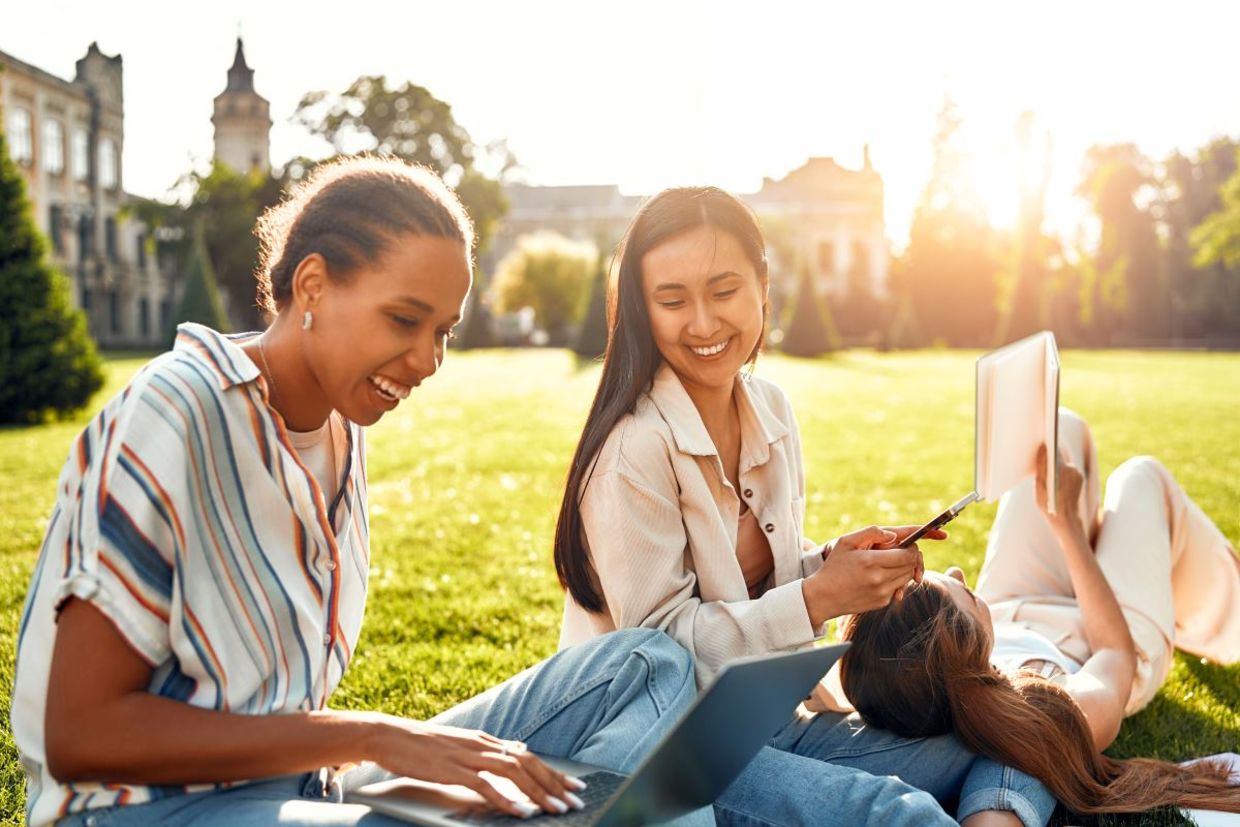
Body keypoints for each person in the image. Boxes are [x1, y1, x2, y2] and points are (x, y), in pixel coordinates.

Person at [12, 156, 952, 827]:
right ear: (311, 284)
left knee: (646, 669)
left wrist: (380, 752)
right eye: (404, 321)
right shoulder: (177, 410)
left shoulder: (337, 426)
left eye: (444, 330)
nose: (425, 362)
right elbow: (80, 731)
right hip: (153, 812)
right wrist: (379, 738)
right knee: (622, 771)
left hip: (319, 779)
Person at [553, 185, 1057, 827]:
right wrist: (820, 597)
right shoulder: (633, 451)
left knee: (1009, 733)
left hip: (763, 724)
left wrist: (831, 564)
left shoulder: (771, 411)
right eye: (672, 300)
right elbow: (662, 657)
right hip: (663, 754)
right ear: (641, 311)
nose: (703, 323)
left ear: (763, 285)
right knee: (890, 810)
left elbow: (765, 580)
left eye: (724, 290)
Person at [839, 409, 1240, 816]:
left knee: (1053, 435)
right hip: (1101, 634)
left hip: (1010, 609)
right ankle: (1228, 616)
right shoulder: (1046, 706)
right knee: (1141, 478)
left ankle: (1099, 540)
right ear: (962, 646)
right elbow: (1114, 653)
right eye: (958, 588)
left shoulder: (894, 673)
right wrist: (1066, 527)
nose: (960, 571)